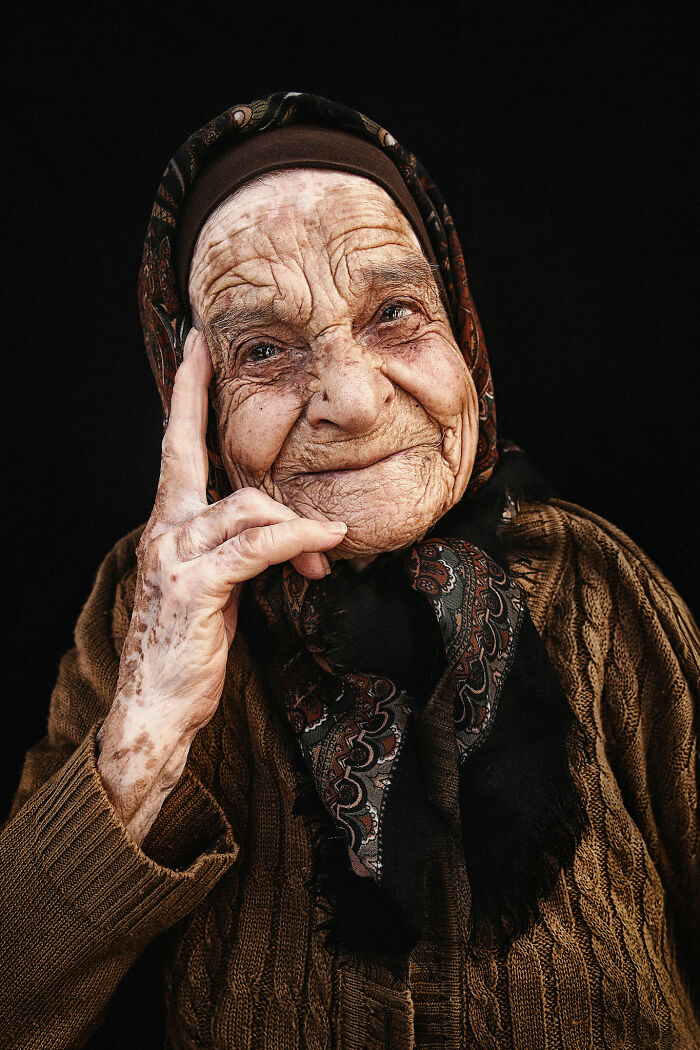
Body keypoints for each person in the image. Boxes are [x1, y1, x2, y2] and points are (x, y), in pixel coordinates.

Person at [1, 91, 698, 1050]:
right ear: (189, 395)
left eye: (395, 314)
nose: (354, 401)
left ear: (463, 330)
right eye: (262, 350)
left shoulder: (597, 580)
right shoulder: (153, 603)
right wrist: (147, 728)